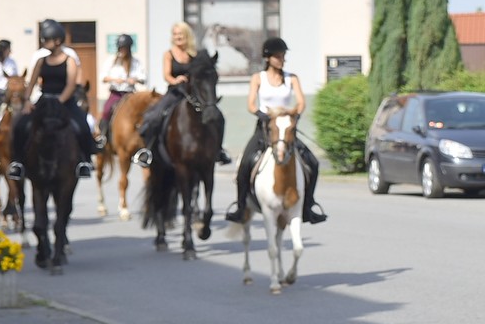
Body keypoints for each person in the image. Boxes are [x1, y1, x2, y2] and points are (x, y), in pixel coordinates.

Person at [225, 37, 327, 226]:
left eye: (283, 56)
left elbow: (301, 102)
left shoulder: (291, 78)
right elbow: (250, 104)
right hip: (265, 128)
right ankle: (240, 207)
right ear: (267, 58)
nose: (281, 59)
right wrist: (260, 114)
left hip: (286, 129)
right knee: (245, 163)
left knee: (312, 163)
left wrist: (294, 113)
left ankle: (308, 206)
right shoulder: (258, 78)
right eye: (278, 56)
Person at [8, 19, 98, 179]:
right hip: (44, 100)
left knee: (82, 125)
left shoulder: (69, 60)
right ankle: (18, 162)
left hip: (64, 100)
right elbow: (32, 82)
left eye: (47, 40)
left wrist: (59, 101)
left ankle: (85, 161)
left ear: (57, 41)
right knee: (20, 125)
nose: (44, 42)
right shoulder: (41, 61)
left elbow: (71, 85)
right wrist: (27, 101)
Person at [133, 22, 231, 167]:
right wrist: (176, 80)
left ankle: (218, 150)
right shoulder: (168, 54)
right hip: (175, 92)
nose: (177, 37)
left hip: (194, 94)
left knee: (218, 116)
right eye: (175, 34)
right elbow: (166, 75)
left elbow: (204, 73)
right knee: (154, 116)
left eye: (180, 34)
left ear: (186, 35)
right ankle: (147, 151)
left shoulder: (196, 54)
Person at [100, 34, 146, 138]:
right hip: (116, 93)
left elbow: (143, 78)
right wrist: (115, 80)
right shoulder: (112, 61)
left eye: (125, 48)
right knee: (107, 110)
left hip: (130, 94)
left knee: (142, 112)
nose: (122, 50)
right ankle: (103, 137)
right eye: (121, 48)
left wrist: (134, 80)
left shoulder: (136, 62)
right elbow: (103, 77)